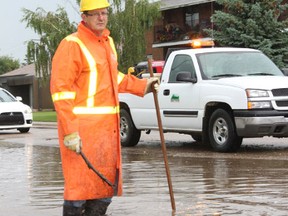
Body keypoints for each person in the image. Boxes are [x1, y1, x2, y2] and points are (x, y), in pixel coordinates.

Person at [50, 0, 159, 215]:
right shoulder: (72, 44)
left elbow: (112, 78)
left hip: (106, 134)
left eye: (105, 13)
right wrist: (71, 132)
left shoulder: (107, 44)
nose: (101, 17)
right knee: (79, 191)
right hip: (82, 132)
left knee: (104, 188)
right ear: (84, 17)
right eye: (96, 14)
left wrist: (142, 85)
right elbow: (61, 92)